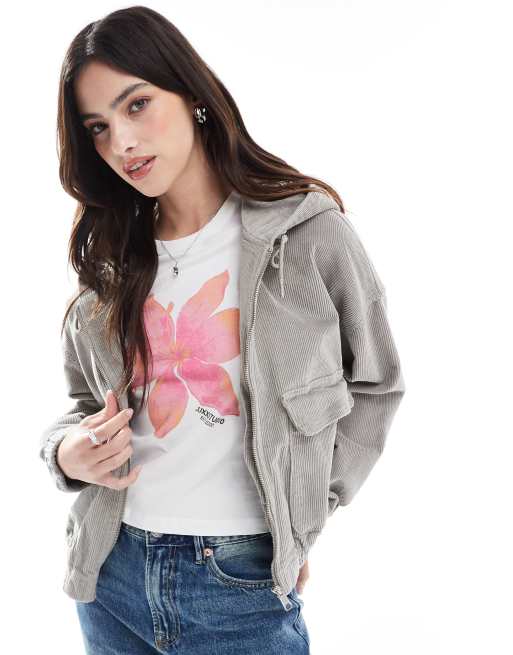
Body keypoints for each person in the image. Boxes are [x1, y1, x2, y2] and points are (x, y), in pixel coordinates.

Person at [39, 6, 406, 654]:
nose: (121, 143)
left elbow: (376, 383)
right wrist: (66, 453)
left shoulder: (305, 234)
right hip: (110, 573)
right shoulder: (112, 258)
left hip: (237, 581)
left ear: (193, 95)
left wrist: (299, 515)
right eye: (98, 127)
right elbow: (82, 404)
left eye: (137, 105)